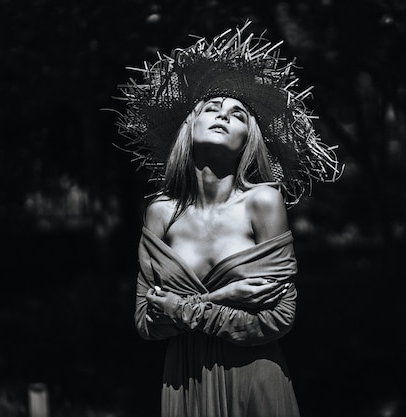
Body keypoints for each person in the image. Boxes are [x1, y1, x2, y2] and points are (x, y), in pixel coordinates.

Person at [113, 21, 341, 417]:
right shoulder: (160, 212)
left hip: (254, 377)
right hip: (183, 384)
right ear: (190, 125)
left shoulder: (263, 202)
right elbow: (146, 323)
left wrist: (183, 309)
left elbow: (280, 316)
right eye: (212, 109)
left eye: (237, 115)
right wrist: (221, 298)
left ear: (246, 140)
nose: (223, 116)